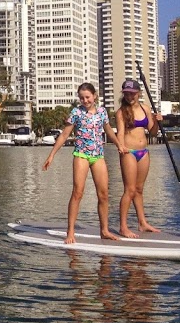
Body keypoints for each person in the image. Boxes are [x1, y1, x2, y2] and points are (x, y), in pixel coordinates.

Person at [42, 82, 126, 244]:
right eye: (81, 98)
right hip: (81, 154)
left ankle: (104, 230)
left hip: (98, 155)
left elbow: (108, 131)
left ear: (94, 96)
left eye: (87, 97)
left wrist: (119, 145)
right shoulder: (76, 112)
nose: (85, 100)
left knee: (103, 195)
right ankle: (70, 232)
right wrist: (51, 155)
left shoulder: (102, 112)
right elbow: (65, 135)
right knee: (78, 193)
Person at [115, 79, 163, 237]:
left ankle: (142, 223)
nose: (130, 96)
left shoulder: (145, 108)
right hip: (128, 152)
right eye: (127, 94)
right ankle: (123, 226)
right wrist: (121, 147)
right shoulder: (121, 112)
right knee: (129, 190)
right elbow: (120, 132)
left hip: (143, 152)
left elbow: (153, 132)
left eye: (132, 93)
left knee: (139, 190)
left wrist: (157, 121)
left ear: (139, 93)